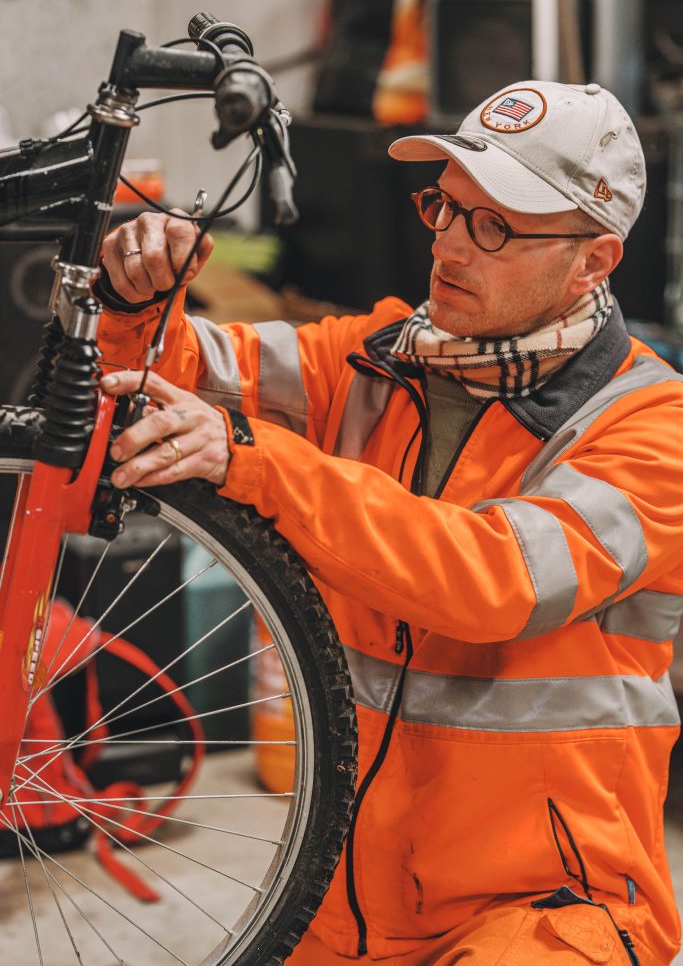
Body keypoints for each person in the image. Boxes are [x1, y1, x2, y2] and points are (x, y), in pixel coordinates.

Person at [95, 80, 683, 966]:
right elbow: (186, 373)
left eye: (495, 226)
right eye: (445, 205)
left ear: (593, 261)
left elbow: (499, 580)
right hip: (341, 898)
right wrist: (138, 297)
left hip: (544, 911)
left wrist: (256, 458)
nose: (448, 242)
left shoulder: (650, 425)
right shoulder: (375, 357)